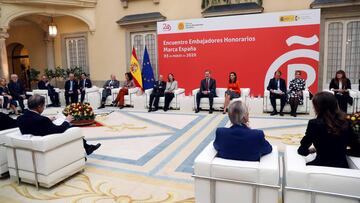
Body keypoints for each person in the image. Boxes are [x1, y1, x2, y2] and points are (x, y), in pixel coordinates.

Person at [17, 94, 101, 156]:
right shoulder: (42, 120)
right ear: (39, 106)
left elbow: (33, 120)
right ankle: (85, 148)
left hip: (34, 141)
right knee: (71, 127)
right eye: (43, 106)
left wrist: (48, 119)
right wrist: (67, 121)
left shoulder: (20, 118)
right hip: (50, 141)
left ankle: (87, 147)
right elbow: (59, 129)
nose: (44, 108)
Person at [297, 92, 358, 168]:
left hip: (319, 166)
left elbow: (302, 150)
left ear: (318, 107)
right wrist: (340, 151)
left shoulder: (314, 124)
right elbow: (357, 150)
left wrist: (312, 150)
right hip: (342, 167)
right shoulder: (346, 122)